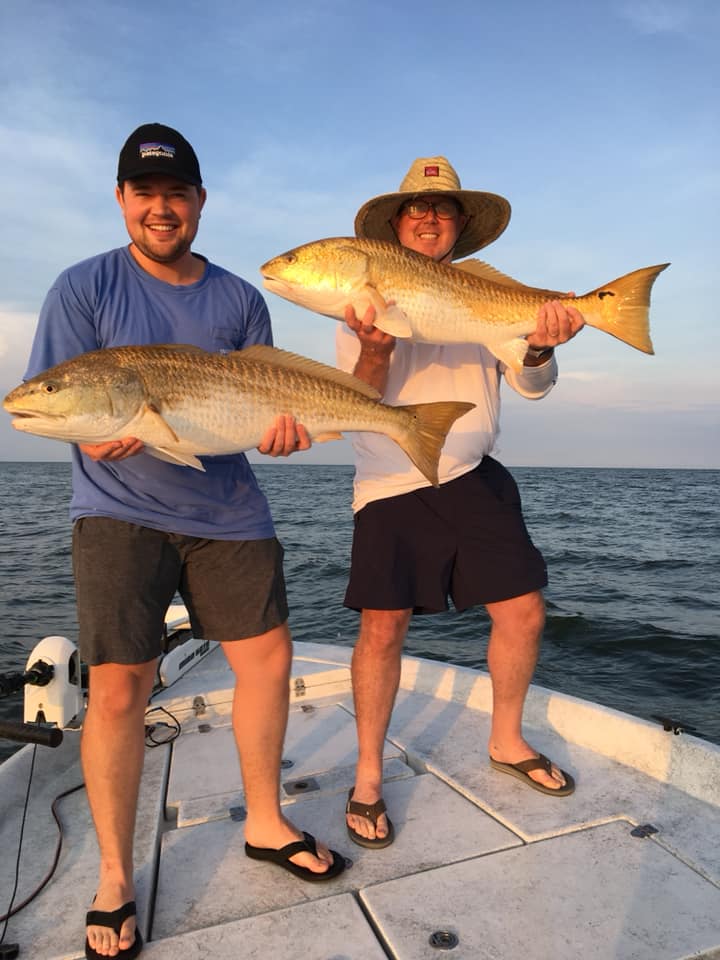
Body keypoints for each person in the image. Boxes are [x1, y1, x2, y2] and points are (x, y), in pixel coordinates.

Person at [24, 123, 343, 960]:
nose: (160, 209)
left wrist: (286, 430)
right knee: (118, 688)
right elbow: (52, 398)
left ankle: (266, 822)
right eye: (144, 193)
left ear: (199, 201)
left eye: (176, 194)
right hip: (117, 511)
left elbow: (257, 405)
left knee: (268, 660)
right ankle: (115, 877)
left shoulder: (238, 299)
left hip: (228, 509)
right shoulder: (83, 287)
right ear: (121, 199)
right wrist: (95, 431)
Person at [337, 156, 585, 849]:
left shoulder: (489, 290)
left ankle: (506, 740)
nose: (428, 219)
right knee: (383, 628)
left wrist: (540, 347)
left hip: (473, 473)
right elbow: (356, 399)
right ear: (395, 224)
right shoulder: (360, 295)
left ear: (460, 225)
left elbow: (532, 384)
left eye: (442, 209)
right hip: (391, 479)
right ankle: (367, 774)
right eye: (416, 208)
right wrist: (374, 348)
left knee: (524, 610)